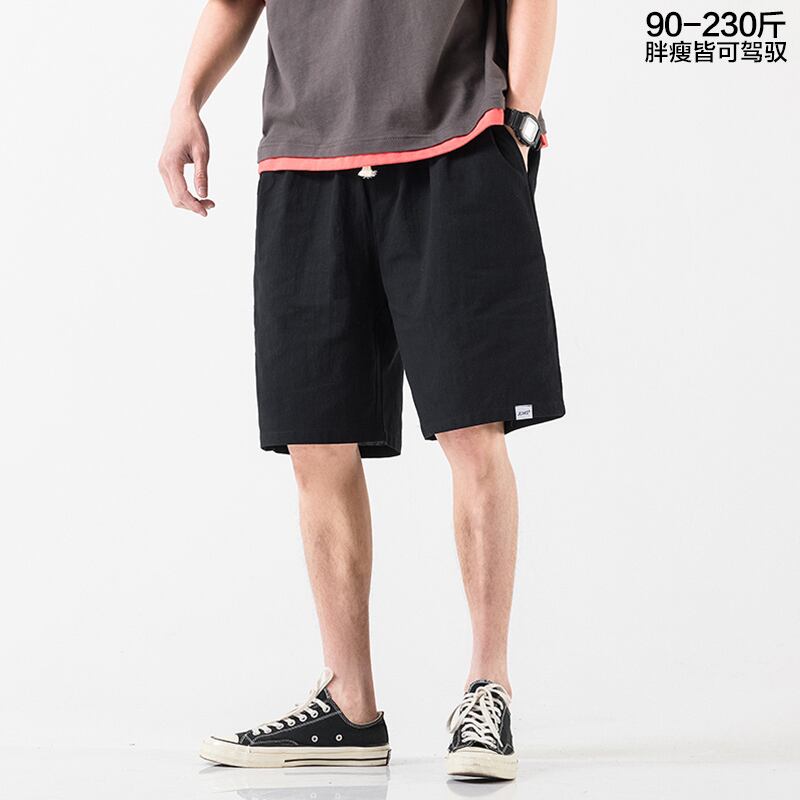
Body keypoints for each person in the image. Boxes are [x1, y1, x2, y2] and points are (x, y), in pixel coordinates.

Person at [159, 0, 562, 782]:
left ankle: (488, 688)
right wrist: (187, 99)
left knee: (472, 429)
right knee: (315, 442)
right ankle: (350, 705)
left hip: (454, 144)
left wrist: (522, 123)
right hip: (304, 162)